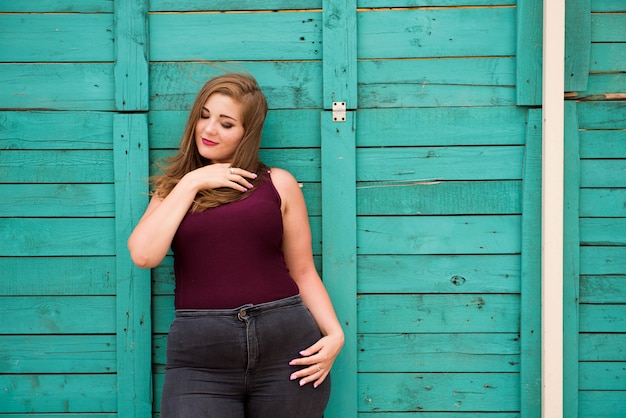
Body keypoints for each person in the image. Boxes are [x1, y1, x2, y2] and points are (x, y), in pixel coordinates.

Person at [127, 73, 344, 417]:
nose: (209, 129)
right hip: (201, 361)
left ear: (247, 133)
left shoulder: (277, 184)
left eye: (226, 124)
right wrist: (192, 181)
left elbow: (302, 271)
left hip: (286, 352)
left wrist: (334, 335)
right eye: (204, 115)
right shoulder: (174, 190)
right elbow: (143, 254)